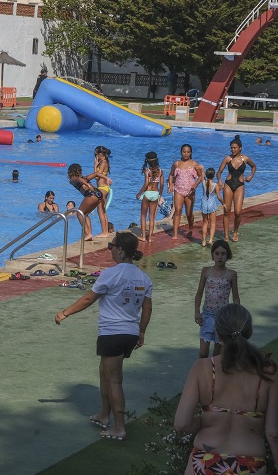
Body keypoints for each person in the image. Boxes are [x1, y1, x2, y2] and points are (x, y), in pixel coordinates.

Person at [55, 232, 153, 441]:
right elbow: (147, 308)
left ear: (119, 250)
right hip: (129, 333)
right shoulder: (143, 278)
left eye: (111, 246)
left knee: (114, 380)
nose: (110, 249)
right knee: (104, 372)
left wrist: (65, 313)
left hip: (112, 333)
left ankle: (119, 427)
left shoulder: (111, 274)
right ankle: (103, 414)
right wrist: (141, 331)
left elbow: (89, 298)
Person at [175, 303, 278, 474]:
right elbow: (273, 433)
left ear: (218, 332)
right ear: (249, 331)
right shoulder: (267, 372)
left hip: (204, 462)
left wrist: (204, 420)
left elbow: (181, 424)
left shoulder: (202, 368)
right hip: (249, 464)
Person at [196, 239, 241, 359]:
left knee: (217, 355)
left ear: (228, 256)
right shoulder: (206, 271)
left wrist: (235, 317)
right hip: (206, 316)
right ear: (212, 255)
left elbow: (236, 298)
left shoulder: (231, 274)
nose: (220, 257)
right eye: (217, 254)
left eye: (223, 254)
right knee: (203, 353)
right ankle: (202, 375)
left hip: (222, 318)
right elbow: (199, 293)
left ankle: (215, 376)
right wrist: (197, 312)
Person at [217, 135, 256, 242]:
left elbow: (254, 166)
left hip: (240, 185)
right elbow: (219, 172)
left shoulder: (246, 158)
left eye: (234, 148)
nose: (232, 150)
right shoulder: (227, 158)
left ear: (240, 148)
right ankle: (225, 235)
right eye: (231, 148)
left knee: (238, 212)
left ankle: (235, 232)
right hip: (228, 185)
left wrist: (251, 176)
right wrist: (220, 181)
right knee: (226, 211)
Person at [168, 144, 204, 240]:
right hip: (178, 190)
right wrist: (171, 184)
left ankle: (190, 228)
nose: (186, 154)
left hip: (190, 191)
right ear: (181, 152)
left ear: (191, 153)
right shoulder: (177, 164)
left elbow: (201, 176)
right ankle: (175, 233)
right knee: (178, 211)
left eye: (188, 152)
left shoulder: (194, 164)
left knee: (189, 213)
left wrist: (196, 185)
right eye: (184, 152)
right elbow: (171, 175)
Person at [135, 152, 164, 243]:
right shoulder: (160, 171)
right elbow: (162, 185)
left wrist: (139, 194)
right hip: (155, 193)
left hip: (147, 193)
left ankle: (143, 237)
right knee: (152, 217)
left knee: (143, 216)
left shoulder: (147, 171)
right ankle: (150, 238)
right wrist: (159, 195)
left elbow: (146, 184)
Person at [198, 168, 223, 247]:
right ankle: (211, 240)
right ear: (214, 175)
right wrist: (223, 203)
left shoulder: (203, 183)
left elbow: (202, 175)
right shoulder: (215, 185)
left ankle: (204, 241)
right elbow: (219, 197)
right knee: (212, 223)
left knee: (205, 223)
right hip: (211, 204)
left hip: (204, 203)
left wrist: (202, 170)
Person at [92, 146, 113, 238]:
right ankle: (105, 231)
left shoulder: (103, 163)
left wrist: (95, 165)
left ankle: (104, 232)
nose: (96, 156)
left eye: (96, 154)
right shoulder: (105, 162)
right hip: (104, 188)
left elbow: (96, 176)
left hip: (102, 188)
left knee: (100, 210)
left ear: (100, 154)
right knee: (103, 211)